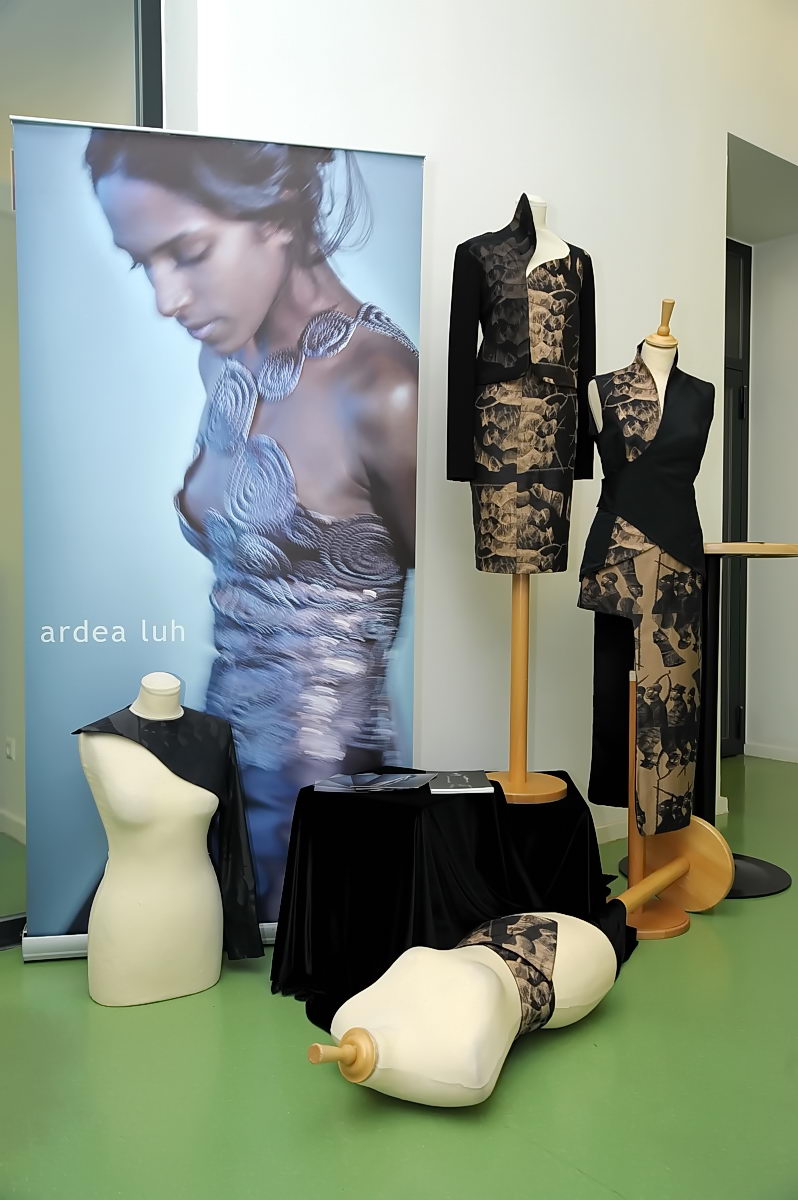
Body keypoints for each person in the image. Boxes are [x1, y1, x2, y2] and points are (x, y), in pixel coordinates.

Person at [85, 130, 418, 919]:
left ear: (278, 212)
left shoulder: (385, 390)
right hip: (218, 768)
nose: (167, 300)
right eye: (143, 264)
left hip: (318, 805)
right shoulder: (224, 362)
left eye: (188, 253)